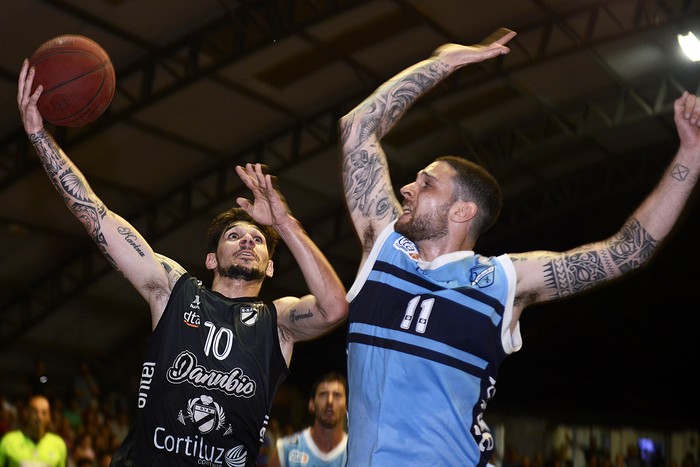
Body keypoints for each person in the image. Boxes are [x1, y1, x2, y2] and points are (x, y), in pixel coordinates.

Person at [339, 26, 700, 466]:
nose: (407, 188)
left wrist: (691, 157)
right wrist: (443, 62)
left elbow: (627, 251)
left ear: (462, 212)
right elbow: (357, 128)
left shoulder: (502, 280)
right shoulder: (384, 248)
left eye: (426, 183)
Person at [17, 59, 348, 467]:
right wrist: (39, 137)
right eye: (234, 236)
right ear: (211, 258)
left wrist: (285, 223)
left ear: (271, 266)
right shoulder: (173, 290)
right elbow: (98, 218)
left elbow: (335, 308)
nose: (247, 240)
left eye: (259, 239)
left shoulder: (277, 322)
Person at [269, 372, 347, 467]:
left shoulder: (355, 452)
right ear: (312, 404)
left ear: (347, 406)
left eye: (337, 395)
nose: (329, 401)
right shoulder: (286, 450)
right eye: (323, 394)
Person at [0, 394, 67, 466]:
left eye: (44, 413)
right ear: (27, 413)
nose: (39, 417)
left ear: (49, 416)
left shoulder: (59, 444)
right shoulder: (8, 441)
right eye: (35, 412)